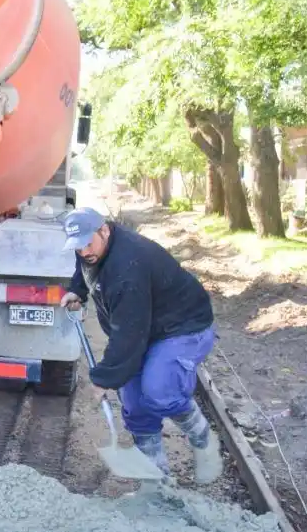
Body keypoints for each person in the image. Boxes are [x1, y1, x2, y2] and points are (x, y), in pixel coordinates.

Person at [58, 207, 222, 484]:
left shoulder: (127, 267)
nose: (84, 251)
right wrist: (78, 290)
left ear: (105, 230)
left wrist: (103, 378)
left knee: (159, 391)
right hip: (142, 328)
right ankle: (156, 483)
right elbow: (86, 268)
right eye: (78, 246)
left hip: (181, 328)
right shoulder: (96, 251)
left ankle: (203, 438)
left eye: (88, 242)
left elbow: (127, 336)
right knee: (134, 405)